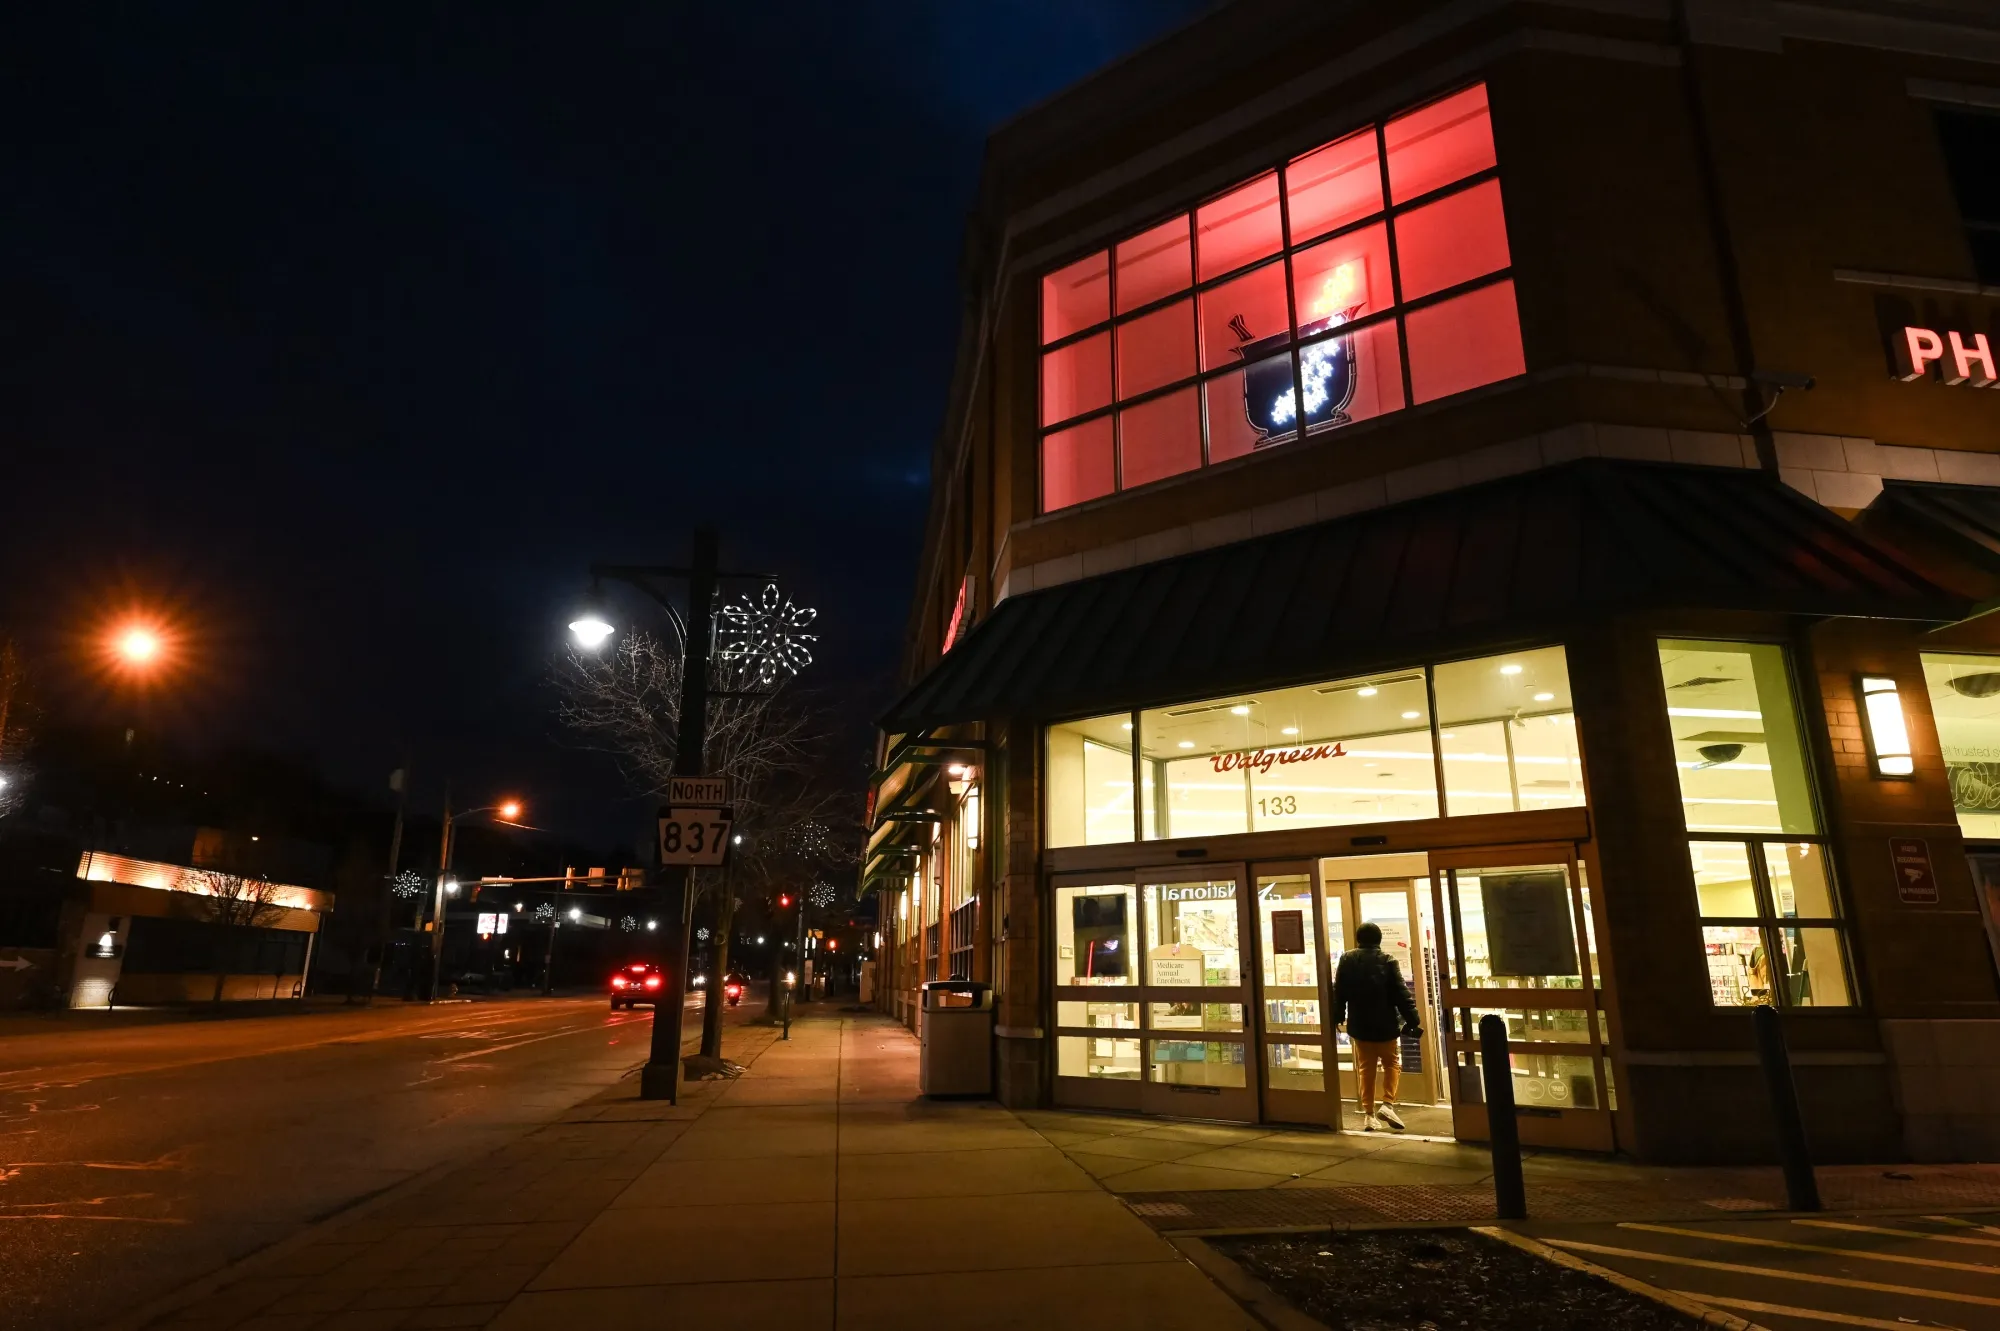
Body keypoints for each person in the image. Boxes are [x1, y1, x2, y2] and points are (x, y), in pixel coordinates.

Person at [1332, 922, 1423, 1131]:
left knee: (1366, 1067)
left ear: (1359, 939)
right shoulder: (1388, 960)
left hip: (1359, 1023)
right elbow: (1401, 993)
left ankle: (1369, 1115)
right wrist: (1413, 1019)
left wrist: (1338, 1017)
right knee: (1391, 1063)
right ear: (1379, 940)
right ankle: (1387, 1104)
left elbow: (1340, 993)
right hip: (1386, 1023)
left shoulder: (1347, 959)